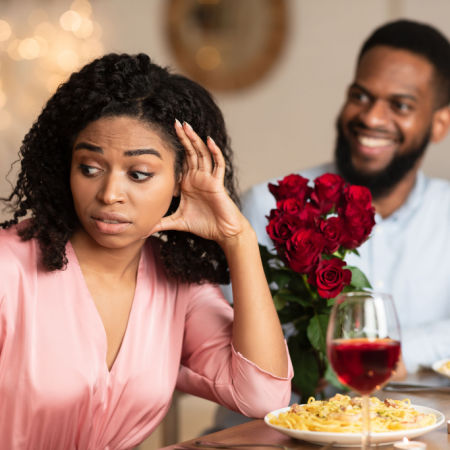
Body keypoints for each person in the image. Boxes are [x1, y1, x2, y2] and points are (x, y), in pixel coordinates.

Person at [0, 53, 292, 449]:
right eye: (90, 167)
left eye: (139, 174)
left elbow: (263, 395)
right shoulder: (8, 270)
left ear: (180, 180)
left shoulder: (178, 286)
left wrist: (237, 238)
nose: (110, 194)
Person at [211, 18, 450, 432]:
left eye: (401, 105)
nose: (371, 117)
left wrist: (396, 350)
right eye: (361, 95)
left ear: (440, 125)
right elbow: (214, 334)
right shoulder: (266, 206)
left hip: (407, 435)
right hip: (264, 436)